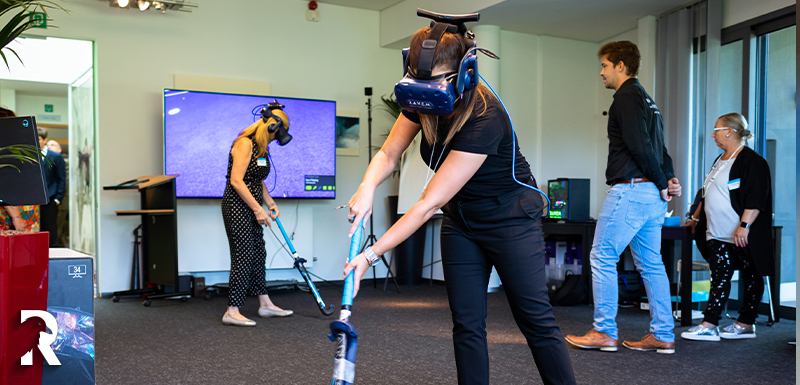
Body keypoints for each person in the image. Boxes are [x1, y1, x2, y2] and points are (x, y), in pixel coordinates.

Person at [343, 20, 576, 385]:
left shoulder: (485, 117)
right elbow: (389, 153)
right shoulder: (419, 98)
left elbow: (425, 205)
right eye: (419, 82)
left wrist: (369, 257)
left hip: (509, 218)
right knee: (467, 324)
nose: (426, 94)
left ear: (465, 73)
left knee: (535, 321)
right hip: (461, 220)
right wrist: (367, 186)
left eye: (436, 83)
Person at [565, 41, 681, 354]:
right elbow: (660, 149)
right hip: (652, 195)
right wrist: (667, 180)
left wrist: (660, 180)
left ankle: (603, 331)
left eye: (604, 65)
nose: (600, 72)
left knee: (602, 256)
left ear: (620, 65)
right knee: (652, 265)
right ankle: (663, 334)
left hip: (632, 189)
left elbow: (640, 145)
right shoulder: (647, 99)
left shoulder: (625, 98)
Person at [681, 113, 772, 341]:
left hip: (741, 233)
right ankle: (710, 324)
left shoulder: (752, 161)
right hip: (717, 232)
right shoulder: (720, 160)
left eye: (717, 129)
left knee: (751, 275)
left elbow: (756, 197)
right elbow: (706, 192)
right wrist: (695, 218)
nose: (713, 134)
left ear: (730, 131)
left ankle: (745, 324)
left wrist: (744, 225)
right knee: (719, 277)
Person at [221, 105, 293, 326]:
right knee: (244, 254)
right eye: (275, 135)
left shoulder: (261, 147)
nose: (275, 140)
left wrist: (269, 203)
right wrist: (257, 208)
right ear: (272, 127)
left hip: (252, 205)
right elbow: (236, 180)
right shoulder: (244, 143)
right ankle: (232, 311)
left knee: (258, 253)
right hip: (237, 206)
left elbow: (255, 179)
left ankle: (265, 304)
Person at [38, 127, 67, 247]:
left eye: (39, 139)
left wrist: (57, 199)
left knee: (50, 232)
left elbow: (62, 178)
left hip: (50, 200)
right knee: (35, 232)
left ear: (45, 140)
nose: (36, 141)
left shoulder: (56, 157)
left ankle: (53, 260)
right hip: (33, 202)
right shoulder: (30, 156)